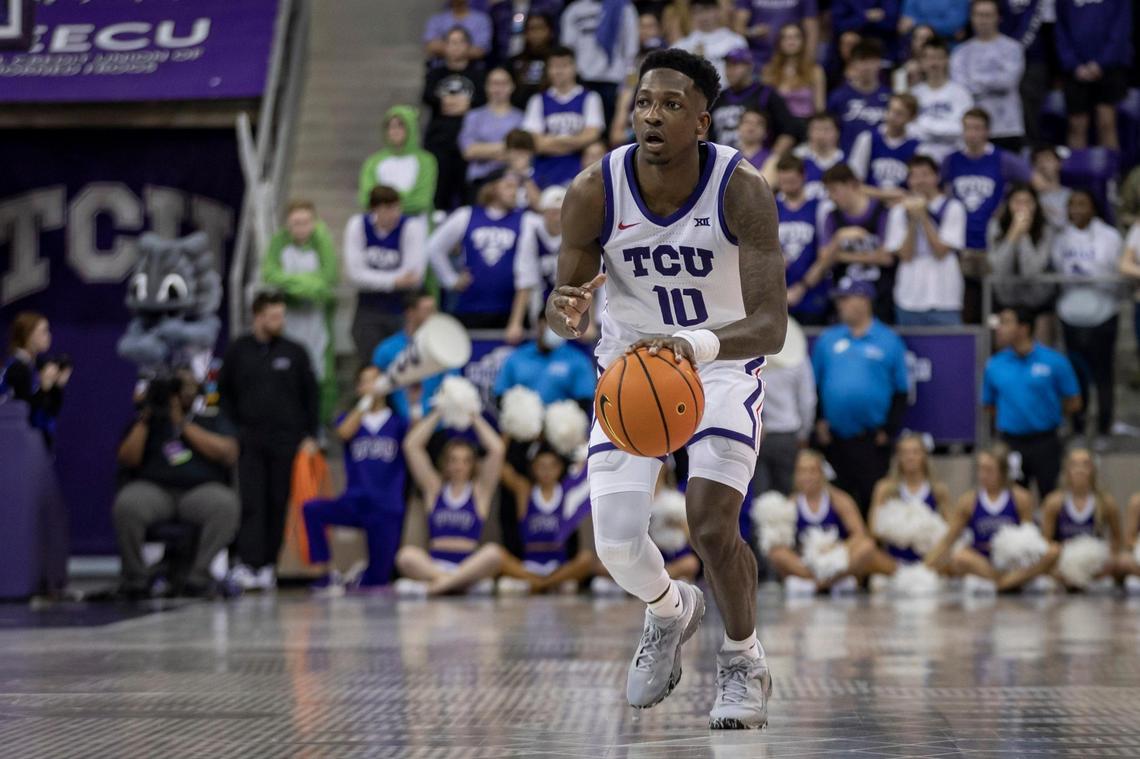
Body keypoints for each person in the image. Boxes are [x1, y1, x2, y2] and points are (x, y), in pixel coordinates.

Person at [547, 48, 787, 727]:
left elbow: (771, 326)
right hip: (631, 370)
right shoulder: (595, 189)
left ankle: (742, 658)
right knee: (617, 543)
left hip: (717, 362)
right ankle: (669, 609)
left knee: (712, 523)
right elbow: (562, 302)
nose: (651, 115)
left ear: (701, 122)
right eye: (644, 102)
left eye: (671, 104)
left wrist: (697, 344)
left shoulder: (742, 190)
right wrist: (562, 310)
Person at [218, 292, 319, 591]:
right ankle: (250, 562)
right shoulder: (238, 351)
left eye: (282, 316)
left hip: (287, 441)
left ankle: (269, 565)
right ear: (257, 316)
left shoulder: (295, 352)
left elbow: (309, 396)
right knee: (252, 502)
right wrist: (231, 431)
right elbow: (224, 394)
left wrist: (311, 435)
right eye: (274, 316)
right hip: (250, 439)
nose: (280, 322)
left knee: (278, 501)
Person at [113, 368, 239, 598]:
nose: (180, 394)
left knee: (225, 504)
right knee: (128, 503)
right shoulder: (149, 420)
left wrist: (181, 423)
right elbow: (127, 458)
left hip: (198, 491)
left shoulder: (209, 417)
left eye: (187, 387)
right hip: (155, 490)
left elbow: (228, 453)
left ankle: (198, 577)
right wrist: (147, 416)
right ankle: (136, 578)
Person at [302, 366, 408, 590]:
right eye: (366, 382)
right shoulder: (350, 419)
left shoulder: (398, 423)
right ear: (360, 387)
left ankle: (359, 577)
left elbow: (414, 440)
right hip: (356, 500)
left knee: (378, 580)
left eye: (376, 381)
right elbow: (344, 433)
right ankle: (324, 571)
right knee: (312, 509)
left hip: (386, 506)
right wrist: (365, 402)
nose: (372, 386)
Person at [812, 278, 909, 514]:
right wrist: (819, 421)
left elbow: (901, 390)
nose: (840, 305)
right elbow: (814, 385)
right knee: (837, 502)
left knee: (873, 500)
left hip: (872, 440)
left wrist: (888, 430)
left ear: (864, 301)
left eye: (845, 299)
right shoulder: (827, 340)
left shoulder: (889, 340)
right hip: (835, 440)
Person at [395, 406, 507, 596]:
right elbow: (411, 446)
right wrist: (440, 411)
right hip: (435, 565)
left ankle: (436, 587)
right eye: (453, 460)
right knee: (405, 556)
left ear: (473, 465)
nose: (459, 466)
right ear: (445, 463)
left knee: (494, 553)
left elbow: (497, 449)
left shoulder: (480, 492)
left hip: (469, 565)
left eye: (465, 461)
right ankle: (455, 584)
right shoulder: (435, 489)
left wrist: (472, 414)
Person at [924, 446, 1060, 593]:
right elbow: (948, 539)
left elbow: (1030, 540)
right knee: (960, 557)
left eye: (989, 470)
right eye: (981, 469)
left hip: (1012, 562)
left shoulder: (1021, 498)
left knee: (1054, 550)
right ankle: (1008, 582)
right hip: (982, 562)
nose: (983, 475)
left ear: (1002, 472)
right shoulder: (968, 501)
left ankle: (1001, 584)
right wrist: (924, 567)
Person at [942, 108, 1032, 323]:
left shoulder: (1003, 159)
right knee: (967, 310)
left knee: (995, 311)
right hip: (961, 248)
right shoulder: (951, 161)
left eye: (977, 128)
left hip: (991, 246)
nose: (972, 134)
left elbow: (1033, 183)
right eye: (967, 128)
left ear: (987, 131)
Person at [983, 307, 1081, 498]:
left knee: (1051, 497)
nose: (999, 328)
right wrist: (1014, 417)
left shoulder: (1055, 361)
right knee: (1011, 498)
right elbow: (989, 405)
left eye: (1005, 322)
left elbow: (1074, 401)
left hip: (1046, 441)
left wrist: (1046, 413)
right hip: (1010, 441)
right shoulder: (995, 364)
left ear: (1023, 328)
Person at [1052, 190, 1123, 447]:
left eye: (1083, 203)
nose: (1077, 210)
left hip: (1103, 314)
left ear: (1093, 207)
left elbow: (1116, 271)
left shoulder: (1109, 236)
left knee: (1103, 376)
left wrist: (1089, 272)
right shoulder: (1061, 238)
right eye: (1072, 205)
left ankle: (1104, 428)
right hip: (1071, 314)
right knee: (1076, 376)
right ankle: (1079, 427)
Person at [427, 170, 534, 336]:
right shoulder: (467, 215)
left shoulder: (525, 220)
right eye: (508, 186)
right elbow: (434, 247)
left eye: (516, 187)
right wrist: (451, 280)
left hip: (510, 310)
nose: (514, 192)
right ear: (492, 188)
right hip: (471, 306)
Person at [766, 449, 882, 595]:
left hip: (836, 557)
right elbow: (783, 543)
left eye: (812, 471)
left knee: (867, 546)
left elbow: (860, 534)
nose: (807, 476)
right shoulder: (792, 502)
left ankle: (815, 584)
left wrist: (834, 549)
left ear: (822, 474)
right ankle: (830, 583)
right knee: (776, 552)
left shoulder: (839, 500)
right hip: (807, 561)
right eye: (802, 471)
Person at [262, 200, 338, 420]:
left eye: (306, 222)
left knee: (319, 373)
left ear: (314, 222)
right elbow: (271, 274)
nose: (301, 228)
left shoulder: (322, 242)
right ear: (288, 224)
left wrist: (293, 285)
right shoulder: (279, 243)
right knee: (286, 371)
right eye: (296, 223)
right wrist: (308, 285)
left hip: (316, 319)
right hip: (288, 320)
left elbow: (328, 279)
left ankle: (318, 425)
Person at [344, 186, 429, 364]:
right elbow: (354, 274)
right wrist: (393, 281)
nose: (394, 214)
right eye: (388, 209)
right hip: (368, 308)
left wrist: (373, 278)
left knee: (404, 363)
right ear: (375, 209)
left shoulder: (411, 227)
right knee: (369, 363)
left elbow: (414, 276)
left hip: (402, 308)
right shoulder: (358, 225)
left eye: (397, 207)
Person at [498, 443, 595, 592]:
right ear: (533, 468)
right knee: (498, 557)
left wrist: (577, 442)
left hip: (559, 569)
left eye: (551, 466)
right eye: (541, 466)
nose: (547, 471)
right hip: (528, 567)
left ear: (560, 468)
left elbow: (588, 468)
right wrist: (513, 430)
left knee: (586, 558)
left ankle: (541, 584)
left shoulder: (566, 493)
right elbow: (500, 466)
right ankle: (543, 583)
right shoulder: (525, 492)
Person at [886, 154, 967, 325]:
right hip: (909, 296)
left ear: (936, 177)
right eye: (914, 176)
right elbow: (905, 255)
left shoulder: (953, 208)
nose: (919, 181)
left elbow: (941, 251)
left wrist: (923, 217)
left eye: (925, 174)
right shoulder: (898, 212)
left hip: (945, 296)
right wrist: (913, 221)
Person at [423, 27, 488, 211]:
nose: (456, 47)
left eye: (460, 42)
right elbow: (429, 97)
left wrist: (452, 104)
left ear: (468, 47)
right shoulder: (435, 74)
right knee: (439, 193)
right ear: (445, 46)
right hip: (439, 141)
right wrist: (462, 104)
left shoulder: (479, 75)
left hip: (468, 142)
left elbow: (480, 101)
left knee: (466, 193)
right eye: (452, 42)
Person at [522, 46, 606, 189]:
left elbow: (592, 135)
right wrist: (575, 142)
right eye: (554, 66)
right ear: (548, 70)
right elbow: (534, 142)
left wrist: (551, 141)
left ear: (575, 67)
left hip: (580, 168)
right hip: (545, 169)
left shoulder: (590, 97)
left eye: (564, 65)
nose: (559, 71)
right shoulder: (537, 100)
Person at [819, 164, 894, 322]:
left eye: (835, 190)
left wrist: (842, 256)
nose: (831, 196)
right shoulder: (832, 217)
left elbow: (886, 257)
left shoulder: (881, 212)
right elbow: (824, 259)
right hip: (844, 296)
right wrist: (839, 237)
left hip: (879, 294)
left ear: (851, 185)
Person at [1040, 447, 1123, 589]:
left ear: (1093, 470)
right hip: (1064, 562)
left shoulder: (1105, 502)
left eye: (1085, 464)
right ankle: (1071, 580)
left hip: (1094, 564)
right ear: (1067, 470)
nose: (1080, 469)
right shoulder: (1054, 502)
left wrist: (1108, 558)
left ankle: (1084, 581)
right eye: (1074, 465)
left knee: (1122, 562)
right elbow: (1045, 541)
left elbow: (1117, 538)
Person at [1055, 0, 1131, 151]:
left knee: (1106, 122)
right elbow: (1060, 29)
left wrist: (1101, 63)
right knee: (1076, 124)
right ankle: (1076, 173)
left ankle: (1110, 173)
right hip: (1075, 70)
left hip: (1109, 67)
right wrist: (1073, 64)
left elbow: (1121, 28)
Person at [950, 0, 1025, 152]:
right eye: (979, 15)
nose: (983, 20)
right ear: (971, 18)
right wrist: (993, 80)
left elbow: (1007, 82)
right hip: (973, 129)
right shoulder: (960, 52)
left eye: (988, 15)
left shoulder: (1013, 48)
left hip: (1007, 127)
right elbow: (961, 88)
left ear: (998, 18)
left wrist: (975, 80)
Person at [868, 433, 951, 566]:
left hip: (928, 562)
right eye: (905, 453)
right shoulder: (884, 488)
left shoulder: (938, 490)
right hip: (893, 562)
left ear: (924, 456)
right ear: (898, 457)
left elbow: (950, 531)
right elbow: (873, 530)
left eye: (915, 452)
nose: (910, 457)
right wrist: (902, 531)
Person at [987, 183, 1056, 341]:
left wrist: (1023, 235)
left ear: (1035, 205)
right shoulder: (995, 227)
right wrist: (1012, 234)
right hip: (1005, 299)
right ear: (1009, 205)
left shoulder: (1046, 230)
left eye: (1027, 202)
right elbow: (998, 269)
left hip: (1037, 300)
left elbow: (1030, 272)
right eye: (1017, 202)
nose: (1022, 207)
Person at [754, 319, 815, 496]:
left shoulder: (751, 355)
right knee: (788, 494)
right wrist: (803, 433)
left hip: (758, 434)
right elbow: (808, 401)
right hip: (787, 434)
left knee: (760, 496)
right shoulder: (798, 358)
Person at [372, 291, 451, 422]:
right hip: (399, 426)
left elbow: (452, 382)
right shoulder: (387, 349)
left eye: (435, 310)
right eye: (427, 310)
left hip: (436, 424)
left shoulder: (445, 347)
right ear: (410, 313)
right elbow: (373, 384)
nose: (434, 315)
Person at [560, 0, 640, 126]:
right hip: (582, 81)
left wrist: (628, 87)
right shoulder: (574, 10)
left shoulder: (625, 8)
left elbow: (631, 51)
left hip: (613, 82)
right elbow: (567, 50)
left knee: (610, 133)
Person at [494, 312, 596, 406]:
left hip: (561, 423)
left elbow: (585, 398)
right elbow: (500, 394)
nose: (556, 329)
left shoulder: (577, 359)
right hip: (524, 422)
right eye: (551, 323)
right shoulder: (516, 357)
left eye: (561, 324)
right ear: (539, 324)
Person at [709, 47, 800, 153]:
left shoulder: (766, 94)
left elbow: (790, 130)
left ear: (749, 67)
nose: (730, 70)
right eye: (728, 65)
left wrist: (771, 160)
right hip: (720, 161)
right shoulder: (718, 97)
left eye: (736, 65)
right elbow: (704, 132)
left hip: (756, 162)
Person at [775, 155, 832, 326]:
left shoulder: (820, 207)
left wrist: (802, 287)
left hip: (813, 291)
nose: (787, 186)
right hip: (779, 292)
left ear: (803, 177)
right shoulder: (771, 206)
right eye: (783, 181)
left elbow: (826, 255)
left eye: (792, 181)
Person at [1, 312, 67, 449]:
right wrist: (44, 388)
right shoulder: (17, 369)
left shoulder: (35, 365)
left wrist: (57, 387)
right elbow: (28, 415)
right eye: (43, 331)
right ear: (28, 335)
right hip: (16, 446)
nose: (48, 336)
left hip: (35, 443)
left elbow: (50, 411)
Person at [358, 106, 438, 216]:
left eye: (401, 126)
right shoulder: (373, 161)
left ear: (411, 128)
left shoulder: (426, 161)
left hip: (414, 220)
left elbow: (422, 200)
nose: (395, 131)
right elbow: (366, 198)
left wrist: (384, 203)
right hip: (379, 221)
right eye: (390, 127)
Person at [459, 67, 525, 192]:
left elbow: (522, 153)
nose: (498, 88)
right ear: (486, 86)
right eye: (494, 83)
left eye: (503, 83)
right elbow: (469, 151)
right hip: (479, 181)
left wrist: (483, 150)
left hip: (512, 182)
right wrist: (507, 148)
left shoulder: (521, 118)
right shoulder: (473, 116)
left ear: (512, 86)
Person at [909, 38, 973, 165]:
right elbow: (910, 130)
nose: (934, 63)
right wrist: (944, 129)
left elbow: (962, 129)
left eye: (939, 58)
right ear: (922, 62)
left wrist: (925, 125)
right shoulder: (914, 94)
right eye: (930, 58)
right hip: (921, 160)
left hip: (953, 158)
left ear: (947, 60)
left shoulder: (961, 93)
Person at [999, 0, 1054, 148]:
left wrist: (1012, 51)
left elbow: (1046, 24)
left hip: (1033, 61)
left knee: (1030, 111)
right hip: (998, 58)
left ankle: (1032, 152)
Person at [826, 39, 891, 154]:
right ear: (853, 64)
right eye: (862, 61)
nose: (867, 67)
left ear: (879, 63)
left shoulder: (889, 97)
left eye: (871, 61)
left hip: (878, 161)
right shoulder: (838, 96)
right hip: (846, 159)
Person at [848, 93, 920, 195]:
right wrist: (884, 195)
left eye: (899, 113)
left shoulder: (917, 146)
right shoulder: (867, 138)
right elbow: (854, 183)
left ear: (911, 118)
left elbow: (919, 188)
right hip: (871, 201)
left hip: (903, 203)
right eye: (890, 110)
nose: (892, 117)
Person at [759, 23, 826, 123]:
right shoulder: (768, 71)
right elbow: (763, 105)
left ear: (803, 41)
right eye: (786, 38)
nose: (791, 41)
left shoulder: (815, 71)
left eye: (796, 37)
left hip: (805, 125)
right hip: (777, 126)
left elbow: (820, 109)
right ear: (779, 42)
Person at [518, 185, 566, 319]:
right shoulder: (532, 235)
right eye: (553, 213)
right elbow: (525, 277)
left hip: (570, 302)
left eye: (561, 212)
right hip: (540, 301)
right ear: (543, 213)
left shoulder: (577, 236)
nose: (557, 218)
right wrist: (516, 321)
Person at [673, 0, 749, 83]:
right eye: (697, 11)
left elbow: (743, 77)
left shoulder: (736, 41)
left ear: (717, 10)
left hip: (728, 93)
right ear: (691, 15)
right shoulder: (681, 45)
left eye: (707, 10)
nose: (703, 16)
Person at [733, 0, 819, 68]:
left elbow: (811, 28)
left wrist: (809, 59)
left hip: (792, 60)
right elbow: (737, 28)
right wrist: (753, 32)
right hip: (756, 59)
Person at [792, 112, 846, 201]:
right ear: (808, 132)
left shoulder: (846, 160)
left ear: (837, 133)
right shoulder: (797, 157)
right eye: (816, 129)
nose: (821, 135)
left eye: (826, 129)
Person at [509, 12, 557, 109]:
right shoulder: (514, 61)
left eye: (540, 28)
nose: (536, 33)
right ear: (525, 34)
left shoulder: (558, 61)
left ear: (550, 32)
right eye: (531, 29)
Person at [424, 0, 494, 61]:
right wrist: (460, 51)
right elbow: (431, 46)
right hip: (441, 68)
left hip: (472, 69)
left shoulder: (481, 20)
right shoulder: (437, 20)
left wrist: (453, 51)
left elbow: (480, 50)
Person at [1030, 145, 1072, 233]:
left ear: (1059, 163)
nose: (1043, 165)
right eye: (1038, 161)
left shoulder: (1071, 195)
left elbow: (1062, 224)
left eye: (1047, 160)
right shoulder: (1029, 195)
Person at [890, 23, 934, 92]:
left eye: (929, 39)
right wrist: (907, 76)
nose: (925, 42)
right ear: (913, 42)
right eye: (921, 39)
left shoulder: (943, 64)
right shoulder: (901, 66)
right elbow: (899, 94)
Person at [898, 0, 967, 43]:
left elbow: (954, 24)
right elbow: (906, 22)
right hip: (916, 48)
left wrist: (917, 22)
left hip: (949, 47)